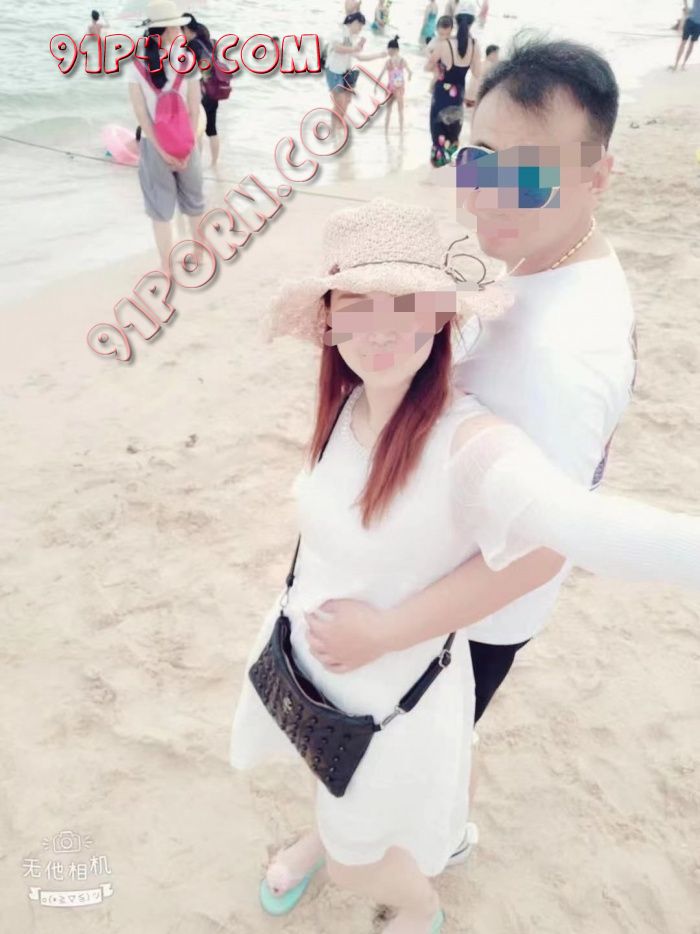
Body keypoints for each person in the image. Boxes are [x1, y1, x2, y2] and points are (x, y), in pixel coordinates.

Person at [229, 198, 700, 934]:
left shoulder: (467, 443)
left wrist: (383, 633)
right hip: (315, 669)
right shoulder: (350, 403)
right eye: (358, 305)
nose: (381, 328)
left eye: (406, 304)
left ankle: (422, 905)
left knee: (359, 863)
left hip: (391, 694)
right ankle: (372, 836)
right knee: (335, 786)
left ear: (441, 317)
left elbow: (580, 530)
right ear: (329, 320)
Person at [298, 39, 641, 865]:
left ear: (598, 177)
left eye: (532, 174)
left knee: (402, 740)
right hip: (449, 579)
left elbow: (544, 546)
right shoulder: (552, 261)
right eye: (478, 158)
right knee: (439, 734)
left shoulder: (561, 355)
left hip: (470, 616)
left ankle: (399, 846)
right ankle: (434, 829)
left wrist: (387, 631)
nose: (489, 191)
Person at [127, 0, 205, 270]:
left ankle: (167, 266)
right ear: (170, 31)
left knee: (160, 211)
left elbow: (142, 116)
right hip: (187, 145)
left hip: (154, 148)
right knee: (194, 204)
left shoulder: (136, 66)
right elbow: (194, 110)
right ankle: (198, 257)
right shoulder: (188, 62)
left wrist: (161, 150)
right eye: (179, 28)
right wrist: (188, 149)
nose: (181, 32)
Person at [426, 10, 481, 166]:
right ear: (471, 24)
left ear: (455, 24)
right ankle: (451, 164)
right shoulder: (475, 45)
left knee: (438, 132)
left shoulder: (445, 44)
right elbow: (477, 73)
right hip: (458, 95)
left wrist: (437, 67)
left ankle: (437, 165)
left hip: (441, 94)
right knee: (453, 132)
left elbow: (428, 66)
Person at [324, 12, 388, 120]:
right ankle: (335, 126)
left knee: (346, 101)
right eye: (360, 26)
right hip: (333, 71)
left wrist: (379, 55)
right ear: (354, 22)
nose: (360, 29)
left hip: (345, 72)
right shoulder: (340, 31)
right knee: (340, 102)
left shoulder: (352, 37)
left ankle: (339, 124)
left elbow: (360, 57)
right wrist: (354, 49)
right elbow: (337, 48)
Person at [183, 13, 222, 167]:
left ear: (187, 29)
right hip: (214, 89)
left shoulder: (192, 46)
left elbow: (190, 71)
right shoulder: (209, 42)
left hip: (201, 91)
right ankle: (214, 164)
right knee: (211, 129)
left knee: (197, 130)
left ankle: (196, 164)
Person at [378, 35, 412, 133]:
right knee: (400, 111)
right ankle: (400, 131)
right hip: (399, 88)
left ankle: (386, 131)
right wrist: (409, 77)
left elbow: (381, 74)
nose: (388, 52)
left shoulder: (389, 61)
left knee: (389, 111)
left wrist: (376, 85)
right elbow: (410, 72)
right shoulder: (402, 61)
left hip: (390, 88)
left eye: (389, 50)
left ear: (392, 50)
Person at [465, 42, 498, 107]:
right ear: (492, 54)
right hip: (476, 100)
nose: (497, 57)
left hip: (468, 98)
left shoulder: (480, 63)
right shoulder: (490, 66)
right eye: (497, 54)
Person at [672, 0, 700, 69]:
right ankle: (676, 64)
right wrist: (686, 7)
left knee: (691, 44)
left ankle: (683, 64)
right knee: (683, 42)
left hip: (698, 25)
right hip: (690, 21)